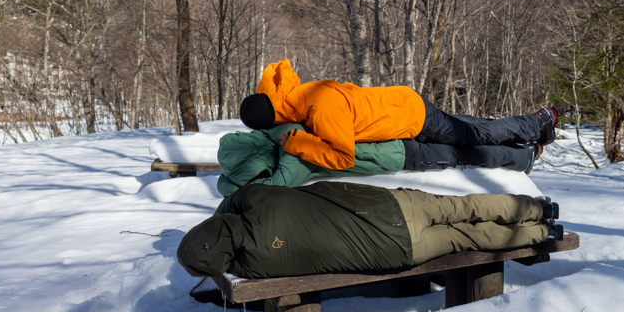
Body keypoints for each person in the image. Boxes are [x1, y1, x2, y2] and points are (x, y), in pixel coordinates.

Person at [177, 181, 562, 279]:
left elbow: (229, 267)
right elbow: (233, 202)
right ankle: (538, 207)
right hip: (389, 206)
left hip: (397, 252)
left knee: (466, 237)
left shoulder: (256, 266)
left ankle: (541, 235)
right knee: (464, 207)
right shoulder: (255, 198)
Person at [238, 58, 557, 171]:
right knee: (473, 131)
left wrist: (298, 144)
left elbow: (343, 157)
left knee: (475, 136)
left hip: (410, 117)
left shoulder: (320, 109)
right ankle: (529, 149)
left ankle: (537, 124)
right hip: (401, 105)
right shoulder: (303, 93)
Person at [215, 123, 542, 196]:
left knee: (465, 154)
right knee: (468, 132)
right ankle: (522, 142)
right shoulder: (282, 128)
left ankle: (522, 157)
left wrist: (231, 184)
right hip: (391, 128)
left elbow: (274, 188)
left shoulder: (294, 153)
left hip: (395, 152)